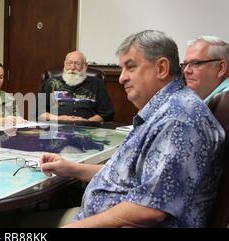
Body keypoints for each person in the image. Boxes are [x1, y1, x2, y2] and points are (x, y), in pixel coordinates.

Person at [37, 30, 225, 227]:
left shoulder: (178, 119)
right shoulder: (164, 109)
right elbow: (130, 173)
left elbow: (150, 209)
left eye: (131, 67)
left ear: (161, 68)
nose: (121, 78)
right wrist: (71, 168)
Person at [39, 51, 114, 122]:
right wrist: (58, 118)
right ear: (64, 64)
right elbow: (39, 112)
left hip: (87, 129)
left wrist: (87, 121)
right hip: (55, 128)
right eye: (69, 63)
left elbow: (106, 113)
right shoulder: (50, 83)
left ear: (85, 66)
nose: (72, 68)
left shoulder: (97, 84)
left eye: (77, 64)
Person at [183, 36, 229, 103]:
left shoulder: (225, 101)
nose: (186, 70)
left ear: (221, 68)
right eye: (185, 64)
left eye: (195, 63)